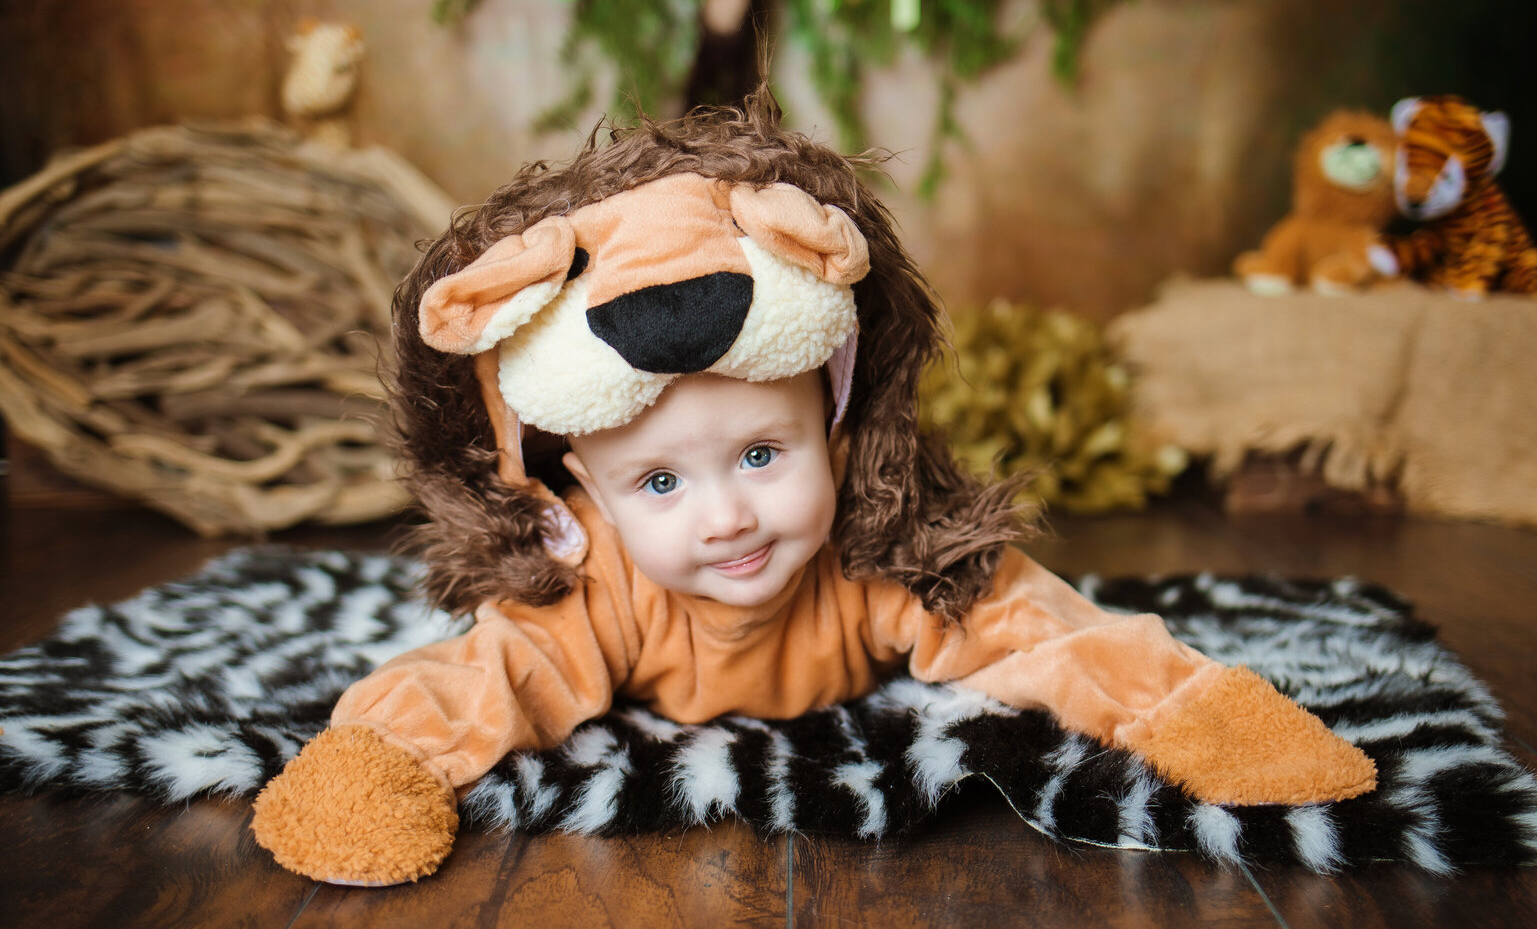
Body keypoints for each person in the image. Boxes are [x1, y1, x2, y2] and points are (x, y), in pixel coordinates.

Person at [250, 97, 1376, 886]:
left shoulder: (872, 554)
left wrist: (1182, 707)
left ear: (836, 435)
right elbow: (489, 672)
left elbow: (1035, 629)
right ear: (577, 485)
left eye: (760, 454)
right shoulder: (600, 579)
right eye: (657, 479)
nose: (727, 514)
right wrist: (388, 755)